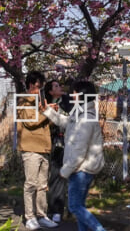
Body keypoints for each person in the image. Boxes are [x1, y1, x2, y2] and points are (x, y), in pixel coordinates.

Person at [45, 79, 106, 231]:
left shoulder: (86, 117)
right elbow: (65, 122)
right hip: (82, 168)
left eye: (74, 93)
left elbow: (79, 151)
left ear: (81, 95)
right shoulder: (81, 113)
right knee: (79, 207)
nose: (71, 95)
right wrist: (47, 110)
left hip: (81, 169)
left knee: (75, 207)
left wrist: (64, 171)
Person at [17, 71, 58, 229]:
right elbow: (31, 122)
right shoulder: (23, 101)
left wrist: (52, 112)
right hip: (30, 148)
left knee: (42, 185)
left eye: (40, 88)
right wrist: (47, 112)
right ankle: (30, 217)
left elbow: (46, 124)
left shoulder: (40, 101)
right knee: (31, 184)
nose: (38, 90)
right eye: (36, 87)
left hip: (44, 147)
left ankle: (41, 215)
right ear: (29, 86)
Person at [44, 78, 69, 224]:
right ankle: (52, 209)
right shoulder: (46, 105)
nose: (60, 87)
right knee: (54, 176)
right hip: (51, 142)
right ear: (50, 91)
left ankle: (58, 209)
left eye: (60, 85)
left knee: (61, 176)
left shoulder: (66, 103)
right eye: (56, 86)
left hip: (65, 143)